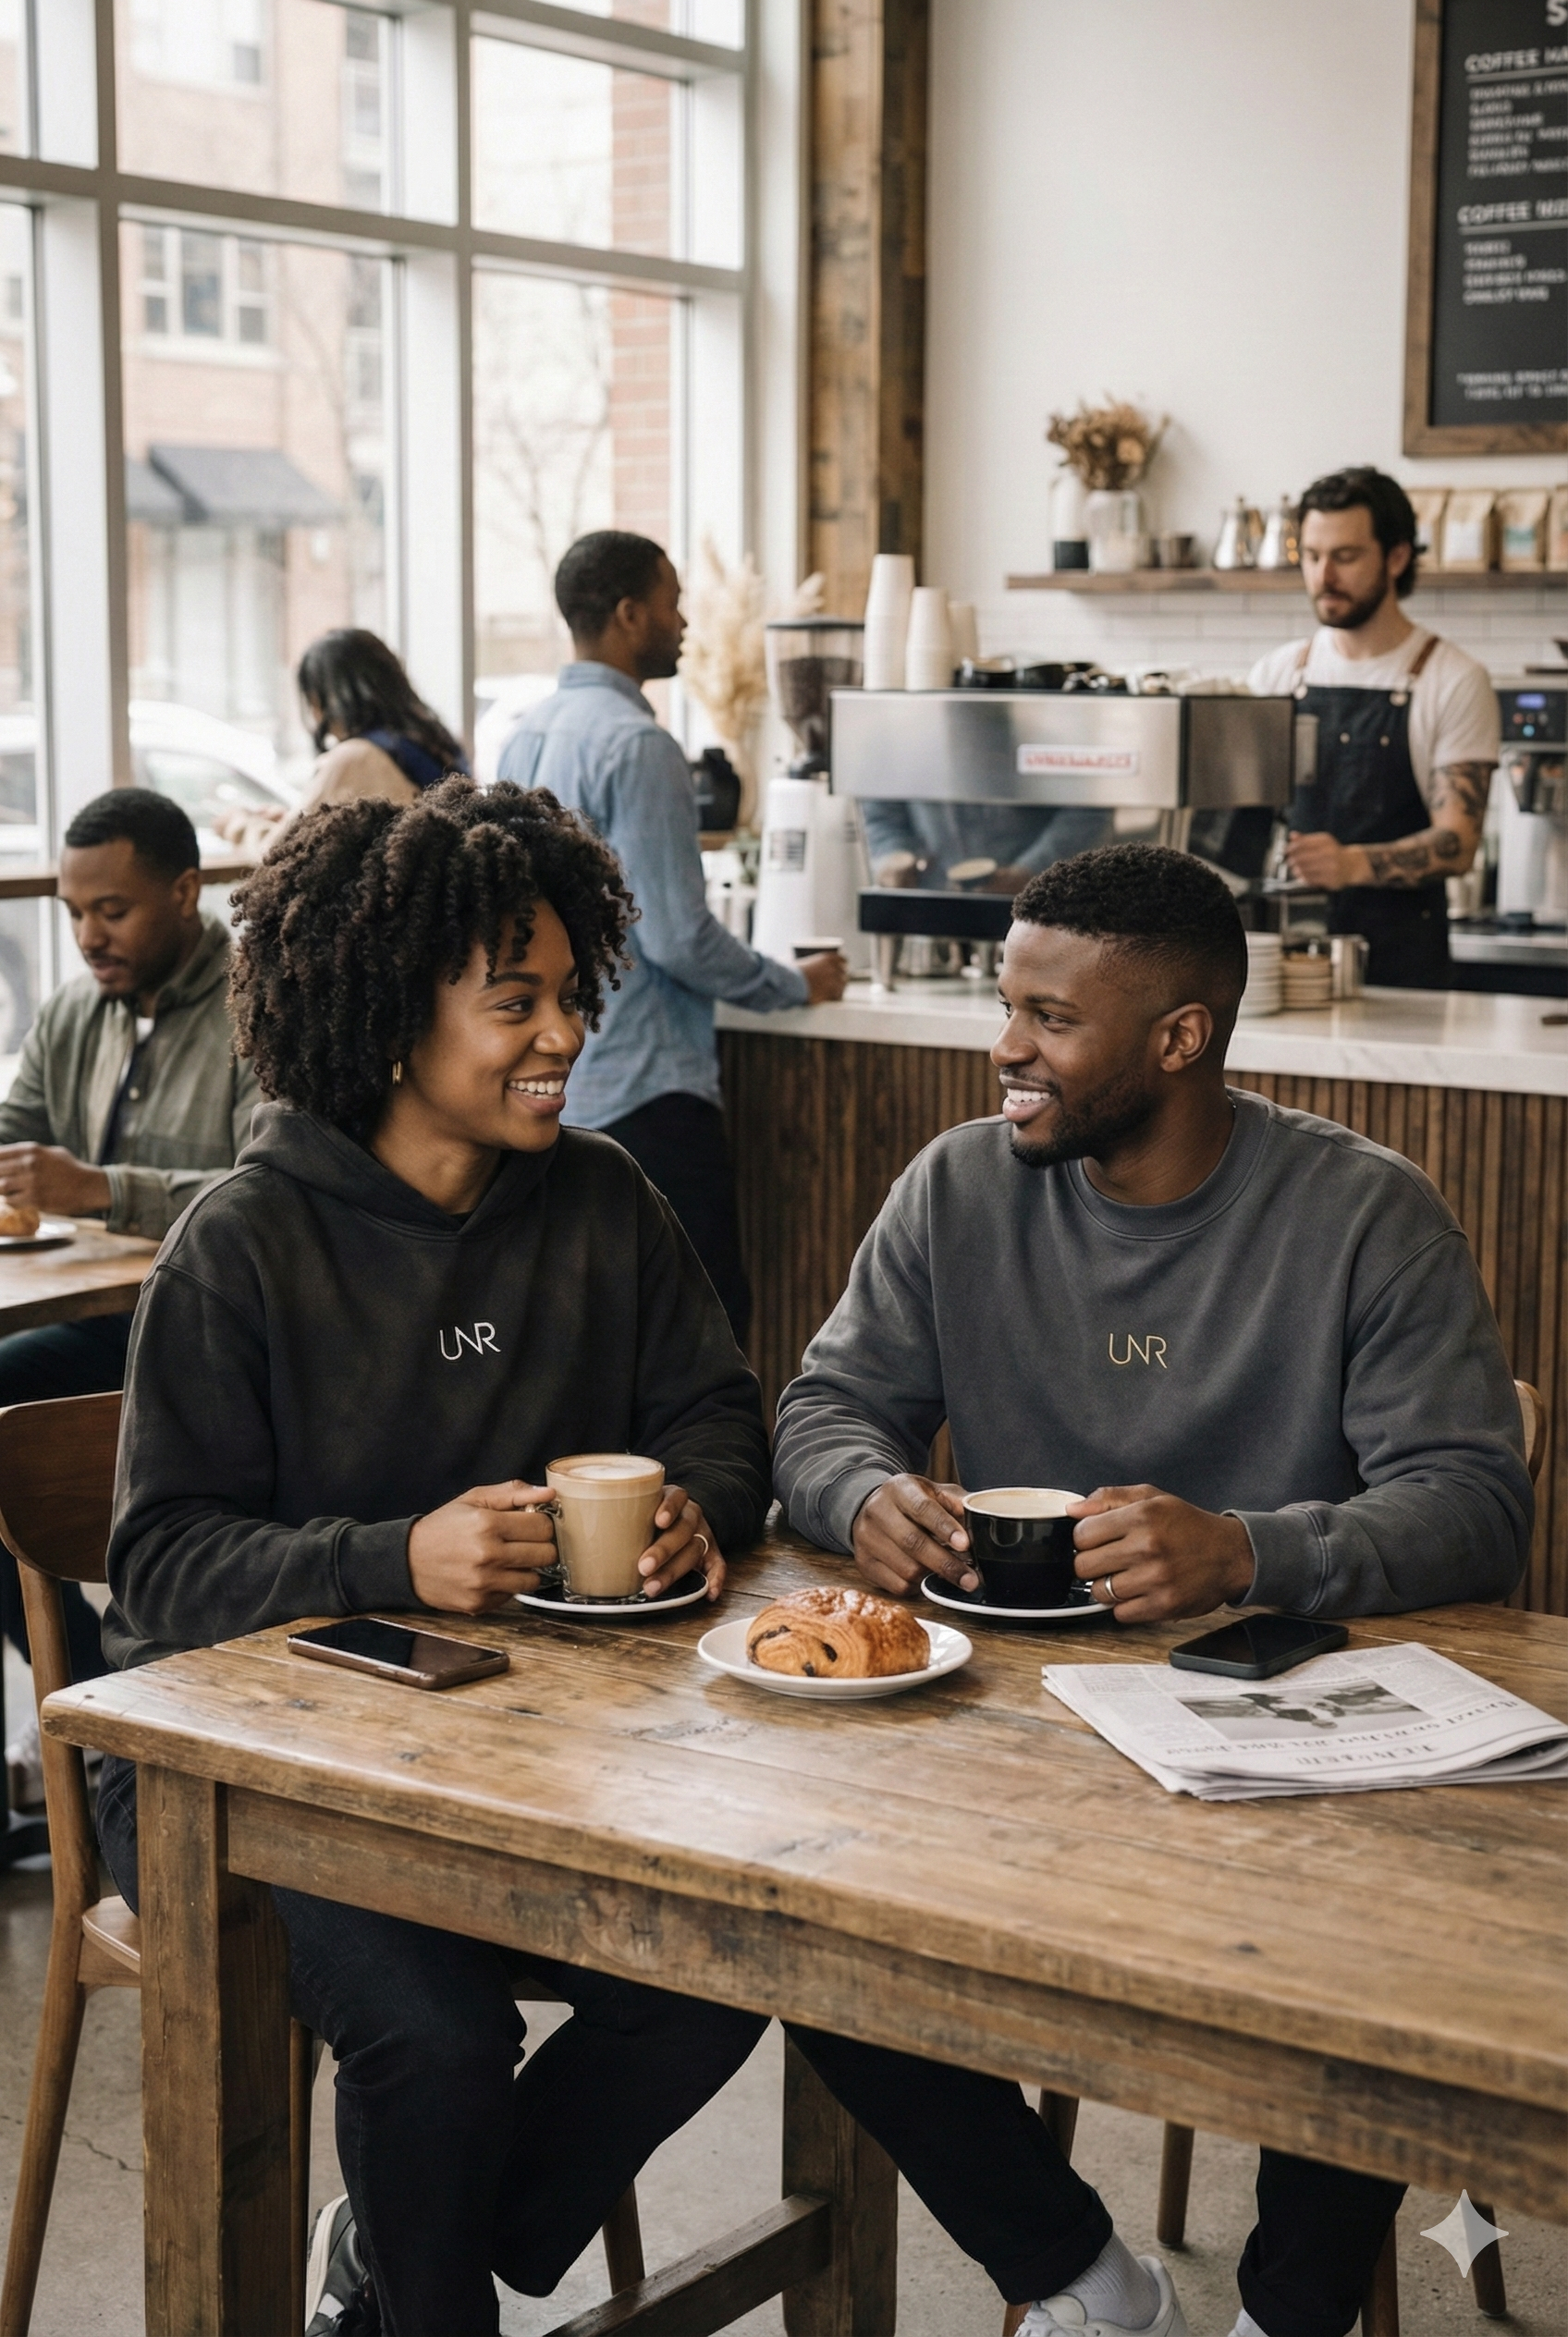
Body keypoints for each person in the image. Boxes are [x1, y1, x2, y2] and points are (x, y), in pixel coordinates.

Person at [771, 843, 1532, 2337]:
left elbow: (1473, 1504)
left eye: (1051, 1018)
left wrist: (1247, 1549)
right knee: (811, 1913)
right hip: (1002, 1739)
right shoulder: (958, 1188)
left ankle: (1286, 2312)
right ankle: (1077, 2274)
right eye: (1009, 1004)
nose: (1006, 1046)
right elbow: (821, 1406)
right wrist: (870, 1497)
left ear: (1178, 1039)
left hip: (1300, 1756)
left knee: (1371, 1962)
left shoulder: (1367, 1213)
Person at [95, 777, 775, 2337]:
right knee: (435, 2037)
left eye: (571, 994)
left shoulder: (602, 1198)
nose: (564, 1035)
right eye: (515, 1001)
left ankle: (418, 2265)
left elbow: (724, 1423)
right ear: (396, 1015)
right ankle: (429, 2293)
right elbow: (163, 1570)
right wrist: (398, 1551)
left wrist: (696, 1505)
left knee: (738, 1954)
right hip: (238, 1769)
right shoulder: (241, 1242)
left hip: (523, 1753)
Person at [499, 531, 848, 1345]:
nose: (684, 620)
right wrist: (797, 982)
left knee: (589, 1333)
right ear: (628, 615)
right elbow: (679, 939)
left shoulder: (525, 734)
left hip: (558, 1080)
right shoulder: (640, 745)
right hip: (648, 1089)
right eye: (671, 602)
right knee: (705, 1330)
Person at [0, 789, 260, 1797]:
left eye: (111, 908)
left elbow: (265, 1184)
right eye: (72, 912)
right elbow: (15, 1130)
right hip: (95, 1328)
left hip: (206, 1339)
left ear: (187, 891)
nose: (87, 935)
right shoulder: (73, 1012)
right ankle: (102, 1705)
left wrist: (102, 1187)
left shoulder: (254, 1003)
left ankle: (104, 1720)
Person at [1249, 468, 1500, 989]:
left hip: (1404, 971)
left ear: (1397, 557)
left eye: (1344, 556)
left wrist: (1351, 863)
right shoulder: (1277, 674)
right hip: (1284, 965)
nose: (1323, 577)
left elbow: (1458, 842)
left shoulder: (1453, 679)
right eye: (1312, 557)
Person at [215, 628, 469, 857]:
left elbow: (276, 853)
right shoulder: (432, 742)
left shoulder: (355, 757)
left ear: (320, 699)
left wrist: (239, 823)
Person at [860, 798, 1113, 894]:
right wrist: (893, 853)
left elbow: (1089, 808)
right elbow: (881, 810)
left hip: (1036, 909)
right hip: (933, 903)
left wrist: (1031, 872)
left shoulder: (1047, 724)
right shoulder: (903, 732)